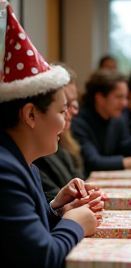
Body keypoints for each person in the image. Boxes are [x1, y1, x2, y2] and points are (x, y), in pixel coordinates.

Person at [0, 0, 102, 268]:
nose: (66, 120)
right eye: (61, 110)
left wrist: (57, 207)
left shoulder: (24, 164)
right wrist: (74, 223)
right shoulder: (5, 170)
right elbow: (42, 259)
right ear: (31, 115)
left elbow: (25, 237)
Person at [71, 69, 131, 176]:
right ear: (100, 98)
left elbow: (119, 150)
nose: (125, 103)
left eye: (125, 97)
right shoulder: (79, 122)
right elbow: (93, 162)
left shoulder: (116, 118)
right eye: (119, 97)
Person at [34, 63, 85, 203]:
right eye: (64, 107)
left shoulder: (63, 142)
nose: (74, 110)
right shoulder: (34, 155)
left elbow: (49, 210)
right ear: (31, 115)